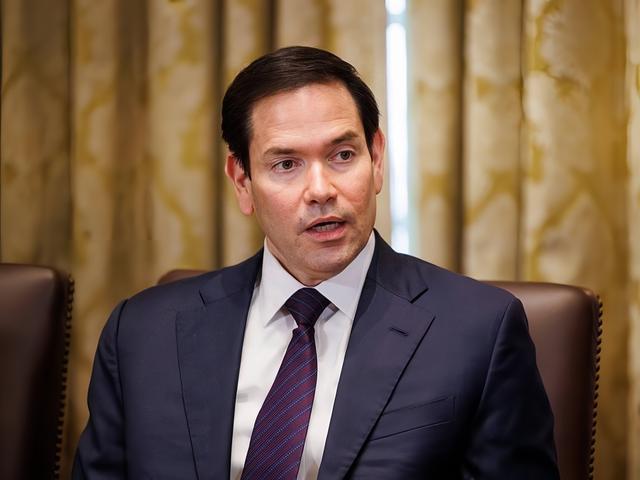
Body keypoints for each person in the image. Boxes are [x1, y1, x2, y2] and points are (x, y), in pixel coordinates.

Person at [73, 46, 559, 479]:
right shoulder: (143, 333)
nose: (321, 190)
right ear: (242, 181)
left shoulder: (478, 330)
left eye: (343, 155)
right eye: (286, 165)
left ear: (377, 159)